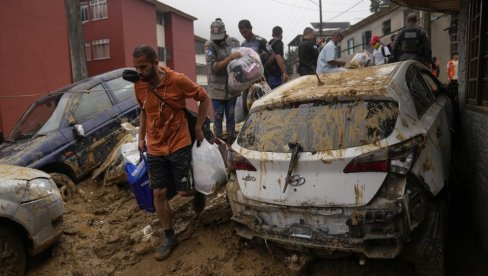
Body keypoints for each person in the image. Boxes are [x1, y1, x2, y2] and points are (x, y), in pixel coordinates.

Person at [132, 44, 210, 261]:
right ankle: (169, 236)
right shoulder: (139, 86)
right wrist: (141, 138)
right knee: (158, 193)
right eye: (136, 68)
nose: (139, 72)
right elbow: (144, 112)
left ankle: (199, 192)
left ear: (156, 63)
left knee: (184, 191)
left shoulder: (177, 80)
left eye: (143, 67)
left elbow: (204, 97)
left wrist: (198, 127)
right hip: (155, 147)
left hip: (179, 143)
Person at [204, 18, 241, 143]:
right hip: (217, 89)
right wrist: (230, 58)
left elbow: (241, 62)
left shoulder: (234, 43)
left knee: (231, 115)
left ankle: (230, 142)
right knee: (218, 117)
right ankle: (219, 143)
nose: (218, 39)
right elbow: (214, 68)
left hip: (231, 87)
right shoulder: (209, 45)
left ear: (225, 33)